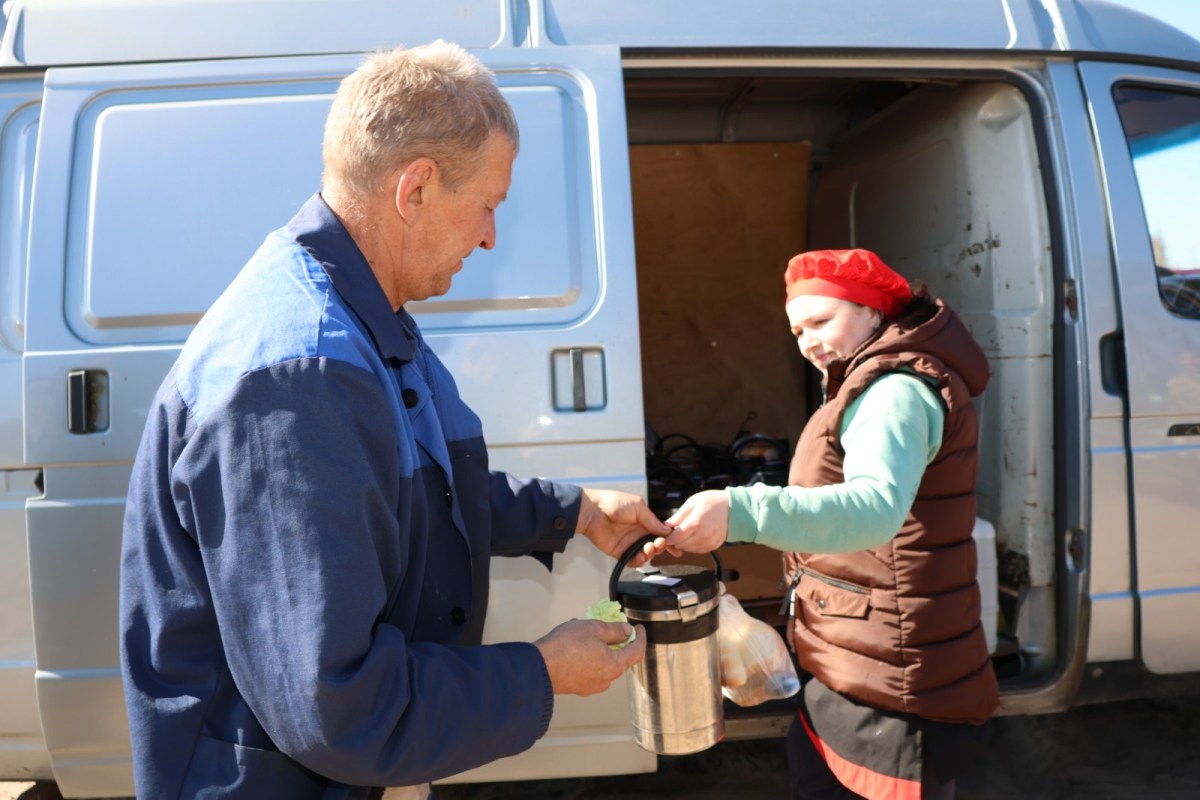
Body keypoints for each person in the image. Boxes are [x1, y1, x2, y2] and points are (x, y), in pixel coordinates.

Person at [118, 40, 669, 799]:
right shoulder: (298, 379)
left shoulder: (357, 315)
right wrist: (540, 672)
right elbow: (339, 706)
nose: (490, 236)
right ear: (416, 189)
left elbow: (413, 489)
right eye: (488, 205)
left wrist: (572, 512)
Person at [651, 248, 999, 799]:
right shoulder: (865, 379)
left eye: (821, 321)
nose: (808, 341)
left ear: (873, 312)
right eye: (797, 330)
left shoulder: (894, 392)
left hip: (893, 678)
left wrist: (742, 511)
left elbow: (873, 508)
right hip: (859, 660)